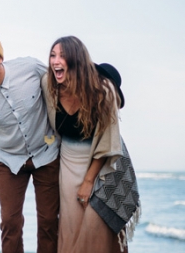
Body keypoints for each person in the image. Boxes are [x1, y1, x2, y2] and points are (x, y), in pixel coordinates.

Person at [0, 30, 60, 253]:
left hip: (45, 154)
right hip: (8, 160)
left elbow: (60, 85)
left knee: (48, 221)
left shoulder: (29, 68)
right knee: (10, 223)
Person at [42, 36, 135, 253]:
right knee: (71, 228)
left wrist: (88, 181)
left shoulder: (103, 92)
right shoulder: (49, 86)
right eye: (53, 55)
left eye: (62, 56)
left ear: (77, 60)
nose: (56, 61)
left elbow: (106, 141)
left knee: (99, 226)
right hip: (68, 164)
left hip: (102, 165)